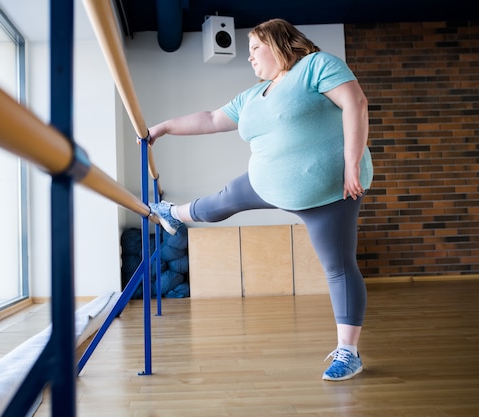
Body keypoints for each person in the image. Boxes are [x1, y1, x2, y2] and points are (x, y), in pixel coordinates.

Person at [146, 18, 373, 381]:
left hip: (329, 192)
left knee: (338, 266)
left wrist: (352, 163)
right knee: (221, 201)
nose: (249, 57)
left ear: (280, 42)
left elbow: (355, 104)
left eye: (255, 48)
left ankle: (348, 352)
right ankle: (171, 212)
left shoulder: (316, 65)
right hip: (266, 184)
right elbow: (209, 118)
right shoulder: (252, 96)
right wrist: (163, 127)